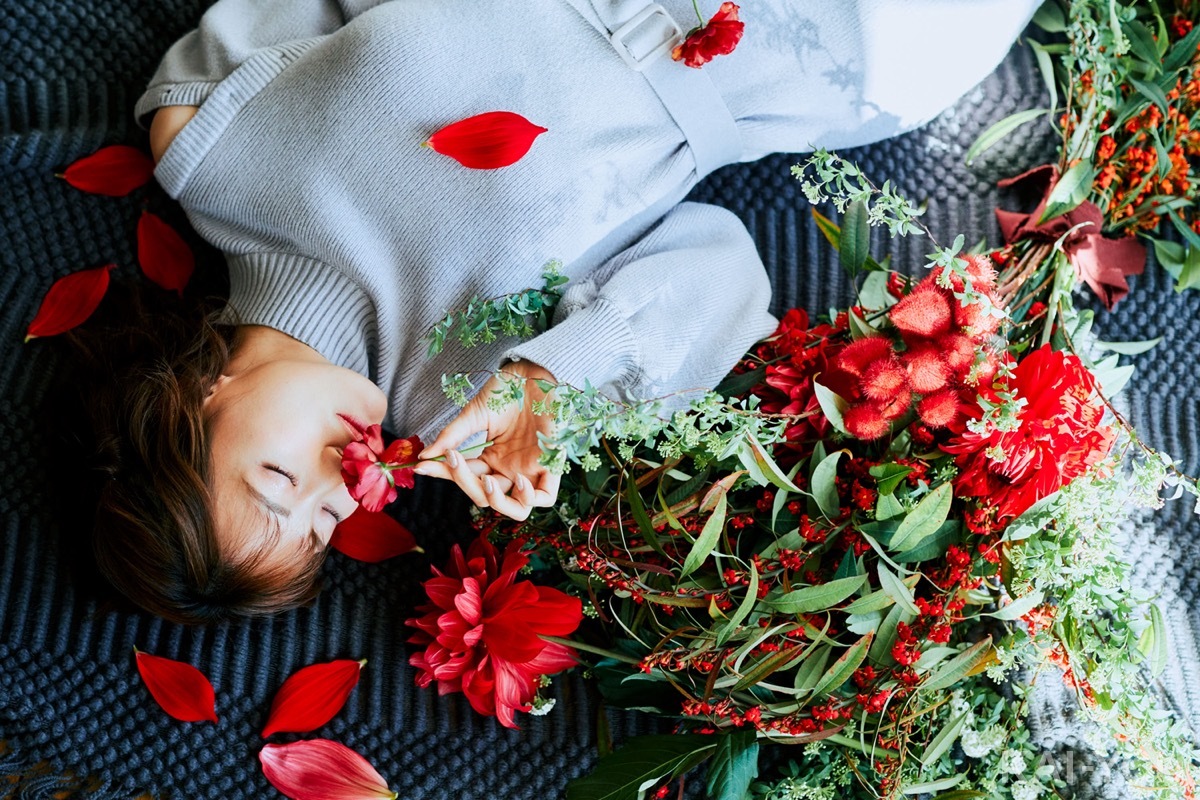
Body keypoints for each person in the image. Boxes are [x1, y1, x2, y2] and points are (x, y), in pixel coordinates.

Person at [90, 0, 1041, 624]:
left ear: (200, 397)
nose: (338, 478)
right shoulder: (470, 410)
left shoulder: (209, 143)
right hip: (840, 41)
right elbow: (723, 267)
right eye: (323, 520)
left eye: (274, 478)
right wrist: (561, 382)